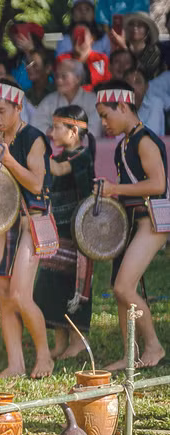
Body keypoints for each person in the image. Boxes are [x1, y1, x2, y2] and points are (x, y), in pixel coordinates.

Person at [0, 79, 53, 379]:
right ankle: (16, 364)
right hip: (6, 222)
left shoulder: (33, 138)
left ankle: (45, 358)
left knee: (22, 294)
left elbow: (37, 184)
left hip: (32, 221)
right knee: (4, 292)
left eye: (1, 110)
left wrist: (8, 159)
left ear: (18, 107)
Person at [95, 80, 169, 370]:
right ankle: (130, 354)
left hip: (152, 221)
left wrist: (115, 190)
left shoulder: (145, 141)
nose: (104, 123)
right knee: (118, 288)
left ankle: (153, 345)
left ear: (123, 106)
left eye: (106, 115)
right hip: (133, 223)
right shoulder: (122, 146)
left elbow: (158, 184)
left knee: (125, 287)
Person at [32, 106, 95, 361]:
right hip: (59, 232)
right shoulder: (59, 157)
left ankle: (79, 341)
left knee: (74, 288)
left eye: (57, 127)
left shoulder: (81, 156)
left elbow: (57, 172)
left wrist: (34, 151)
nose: (52, 132)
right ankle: (59, 341)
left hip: (79, 233)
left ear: (74, 131)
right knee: (52, 286)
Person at [32, 58, 101, 139]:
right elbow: (36, 125)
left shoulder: (92, 100)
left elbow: (95, 131)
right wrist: (52, 132)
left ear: (78, 78)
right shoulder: (49, 100)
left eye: (64, 77)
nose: (59, 81)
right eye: (57, 76)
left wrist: (64, 136)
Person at [57, 22, 111, 89]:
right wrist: (79, 57)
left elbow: (107, 82)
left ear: (92, 38)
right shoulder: (62, 60)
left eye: (82, 34)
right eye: (76, 34)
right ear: (71, 39)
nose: (79, 38)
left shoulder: (102, 59)